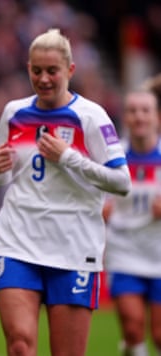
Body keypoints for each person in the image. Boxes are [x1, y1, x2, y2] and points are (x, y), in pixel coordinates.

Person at [0, 28, 131, 356]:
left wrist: (68, 158)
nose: (44, 78)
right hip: (17, 242)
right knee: (20, 344)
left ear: (70, 70)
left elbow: (121, 182)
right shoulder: (14, 113)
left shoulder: (91, 117)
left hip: (73, 247)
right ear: (28, 69)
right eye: (37, 70)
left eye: (52, 70)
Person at [103, 90, 161, 356]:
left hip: (159, 250)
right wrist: (101, 210)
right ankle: (133, 345)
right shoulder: (112, 159)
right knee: (134, 329)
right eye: (133, 110)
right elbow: (95, 197)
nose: (139, 116)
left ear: (157, 117)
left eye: (145, 110)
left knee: (159, 335)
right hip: (124, 250)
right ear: (125, 117)